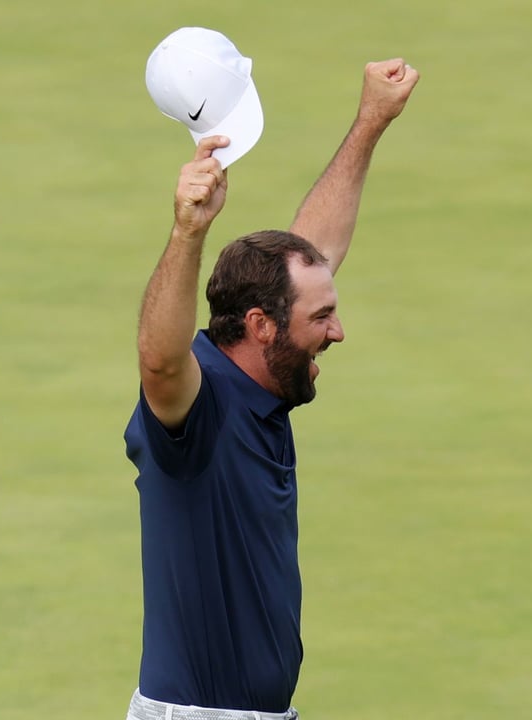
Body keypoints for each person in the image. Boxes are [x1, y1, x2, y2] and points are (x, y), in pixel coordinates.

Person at [123, 58, 420, 720]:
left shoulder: (261, 385)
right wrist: (187, 230)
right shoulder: (199, 417)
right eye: (322, 318)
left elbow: (316, 250)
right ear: (261, 326)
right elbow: (159, 363)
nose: (338, 332)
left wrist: (373, 119)